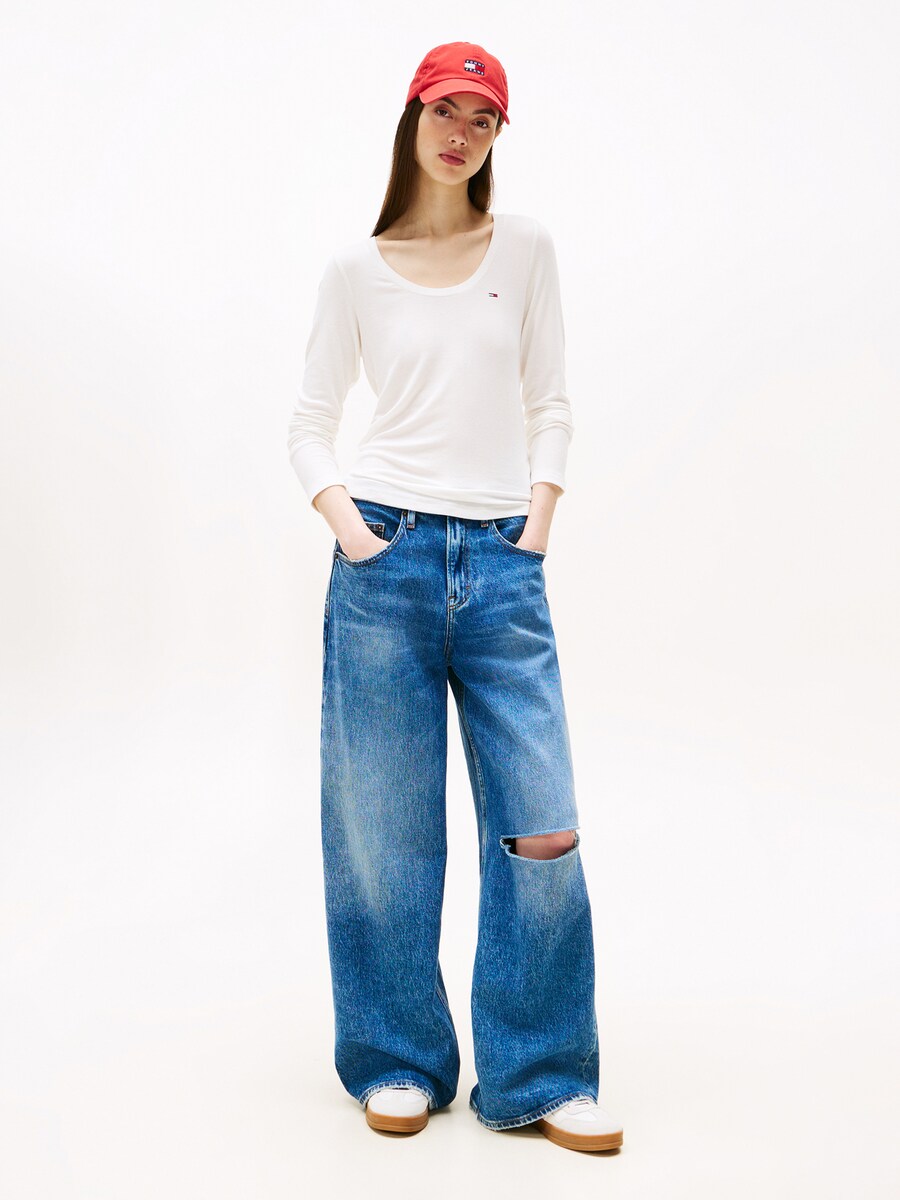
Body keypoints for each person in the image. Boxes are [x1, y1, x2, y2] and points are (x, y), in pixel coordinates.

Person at [287, 41, 624, 1153]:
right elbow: (309, 423)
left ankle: (541, 1073)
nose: (462, 133)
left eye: (484, 119)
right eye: (447, 109)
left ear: (495, 139)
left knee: (542, 822)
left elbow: (551, 399)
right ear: (413, 117)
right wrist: (350, 528)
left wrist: (538, 519)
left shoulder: (523, 249)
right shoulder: (357, 268)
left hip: (502, 565)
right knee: (382, 827)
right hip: (382, 562)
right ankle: (398, 1058)